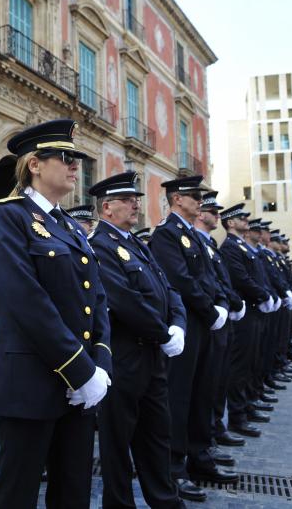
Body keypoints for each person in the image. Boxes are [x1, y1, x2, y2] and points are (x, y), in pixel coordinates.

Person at [0, 119, 112, 509]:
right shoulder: (9, 216)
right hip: (31, 383)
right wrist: (80, 369)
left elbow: (97, 299)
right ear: (35, 165)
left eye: (76, 158)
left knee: (73, 491)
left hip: (79, 389)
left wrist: (100, 364)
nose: (75, 165)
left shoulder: (71, 226)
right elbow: (26, 300)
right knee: (18, 493)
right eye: (65, 157)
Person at [88, 171, 187, 509]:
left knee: (157, 436)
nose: (135, 205)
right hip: (124, 359)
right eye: (127, 201)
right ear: (106, 207)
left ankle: (165, 501)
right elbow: (125, 301)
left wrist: (178, 326)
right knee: (118, 444)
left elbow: (168, 289)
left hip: (153, 358)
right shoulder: (100, 246)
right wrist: (163, 332)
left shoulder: (134, 243)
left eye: (136, 200)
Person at [149, 175, 237, 503]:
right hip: (187, 325)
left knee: (203, 391)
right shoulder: (167, 235)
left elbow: (212, 277)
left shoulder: (195, 237)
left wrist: (221, 306)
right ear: (176, 199)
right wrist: (210, 309)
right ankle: (174, 468)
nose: (199, 201)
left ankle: (200, 456)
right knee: (180, 397)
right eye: (192, 196)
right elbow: (181, 281)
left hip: (206, 324)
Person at [194, 192, 247, 458]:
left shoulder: (211, 244)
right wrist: (224, 305)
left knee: (219, 379)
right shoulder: (200, 243)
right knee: (207, 384)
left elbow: (222, 281)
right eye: (213, 212)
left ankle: (216, 425)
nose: (217, 215)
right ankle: (209, 432)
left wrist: (230, 303)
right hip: (208, 321)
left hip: (222, 317)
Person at [218, 204, 276, 442]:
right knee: (240, 366)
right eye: (242, 218)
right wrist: (262, 295)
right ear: (231, 223)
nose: (246, 221)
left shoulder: (243, 246)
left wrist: (268, 295)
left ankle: (248, 403)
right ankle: (237, 414)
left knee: (253, 360)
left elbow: (259, 277)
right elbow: (241, 278)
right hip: (245, 312)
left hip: (255, 310)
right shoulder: (230, 247)